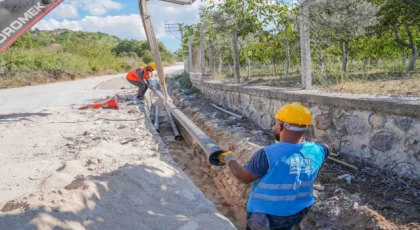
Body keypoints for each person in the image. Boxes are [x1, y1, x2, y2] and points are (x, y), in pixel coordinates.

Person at [218, 103, 330, 230]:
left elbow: (243, 177)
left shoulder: (267, 154)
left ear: (280, 127)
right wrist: (301, 137)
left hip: (267, 216)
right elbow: (326, 145)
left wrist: (229, 158)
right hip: (299, 210)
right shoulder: (318, 151)